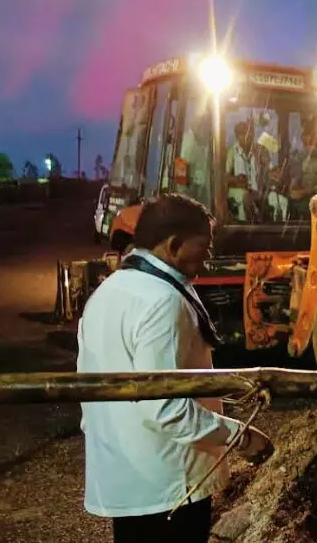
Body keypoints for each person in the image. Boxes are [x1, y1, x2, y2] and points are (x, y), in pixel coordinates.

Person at [76, 194, 273, 542]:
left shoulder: (107, 294)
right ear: (175, 245)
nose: (210, 258)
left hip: (128, 478)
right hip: (168, 484)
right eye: (205, 247)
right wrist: (240, 438)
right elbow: (166, 409)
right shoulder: (162, 301)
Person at [288, 113, 317, 219]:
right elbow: (294, 190)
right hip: (305, 203)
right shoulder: (299, 158)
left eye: (311, 134)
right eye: (305, 135)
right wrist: (298, 190)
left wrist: (308, 191)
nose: (308, 138)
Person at [225, 120, 269, 222]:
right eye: (243, 134)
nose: (247, 137)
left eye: (250, 133)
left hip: (256, 190)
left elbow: (269, 169)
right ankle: (249, 227)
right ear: (237, 136)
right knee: (246, 197)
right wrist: (236, 180)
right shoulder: (232, 152)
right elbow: (225, 177)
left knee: (275, 199)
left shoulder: (259, 150)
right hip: (238, 190)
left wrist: (264, 160)